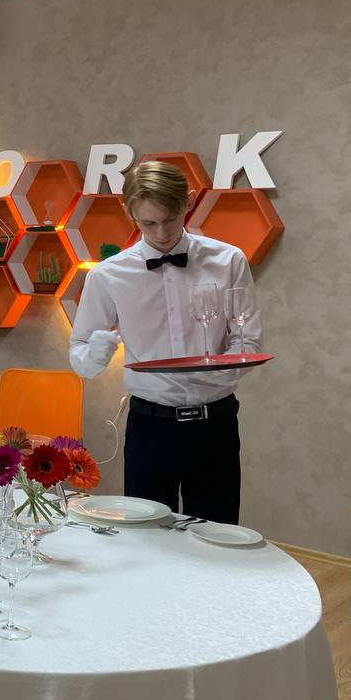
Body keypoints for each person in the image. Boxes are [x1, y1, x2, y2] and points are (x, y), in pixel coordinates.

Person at [68, 160, 262, 524]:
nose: (161, 233)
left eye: (170, 219)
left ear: (188, 201)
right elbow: (81, 359)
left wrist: (213, 374)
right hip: (150, 427)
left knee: (216, 534)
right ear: (129, 213)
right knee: (147, 537)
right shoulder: (108, 276)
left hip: (215, 423)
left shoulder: (228, 261)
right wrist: (95, 352)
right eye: (148, 223)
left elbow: (247, 341)